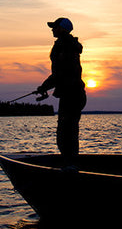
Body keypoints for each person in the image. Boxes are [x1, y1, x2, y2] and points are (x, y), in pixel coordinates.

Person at [35, 17, 87, 166]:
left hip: (72, 95)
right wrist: (45, 87)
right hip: (72, 94)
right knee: (67, 132)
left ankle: (70, 165)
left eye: (55, 26)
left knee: (66, 134)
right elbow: (60, 75)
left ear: (62, 28)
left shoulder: (65, 46)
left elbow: (60, 74)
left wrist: (44, 87)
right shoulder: (66, 45)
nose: (52, 29)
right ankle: (70, 163)